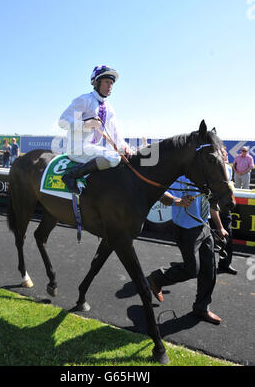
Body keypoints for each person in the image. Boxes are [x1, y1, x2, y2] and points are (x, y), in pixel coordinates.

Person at [147, 175, 228, 325]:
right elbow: (161, 194)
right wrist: (178, 201)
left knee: (209, 270)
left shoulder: (206, 174)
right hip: (186, 230)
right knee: (192, 270)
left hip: (204, 227)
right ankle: (157, 278)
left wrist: (220, 227)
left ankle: (201, 308)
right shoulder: (180, 174)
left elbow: (212, 203)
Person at [58, 65, 132, 194]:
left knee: (127, 155)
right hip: (77, 148)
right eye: (107, 82)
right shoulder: (84, 100)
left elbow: (115, 133)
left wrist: (124, 146)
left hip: (92, 150)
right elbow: (62, 121)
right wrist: (85, 123)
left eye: (112, 83)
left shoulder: (109, 108)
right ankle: (71, 176)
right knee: (114, 157)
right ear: (96, 82)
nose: (110, 86)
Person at [211, 146, 237, 275]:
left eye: (226, 152)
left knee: (228, 236)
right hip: (210, 208)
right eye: (223, 152)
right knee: (208, 240)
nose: (226, 154)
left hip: (224, 208)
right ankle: (200, 267)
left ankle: (225, 264)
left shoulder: (228, 168)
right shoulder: (209, 168)